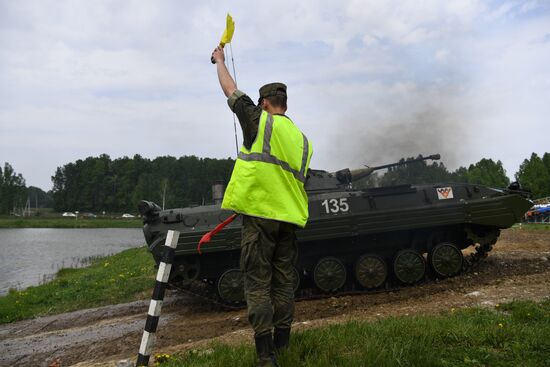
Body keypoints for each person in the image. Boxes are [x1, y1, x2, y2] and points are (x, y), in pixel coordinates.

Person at [211, 46, 312, 367]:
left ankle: (265, 357)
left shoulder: (259, 121)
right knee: (283, 282)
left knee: (256, 282)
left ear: (266, 103)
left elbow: (230, 89)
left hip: (260, 218)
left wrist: (220, 61)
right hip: (289, 220)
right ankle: (283, 345)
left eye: (260, 103)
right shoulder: (303, 140)